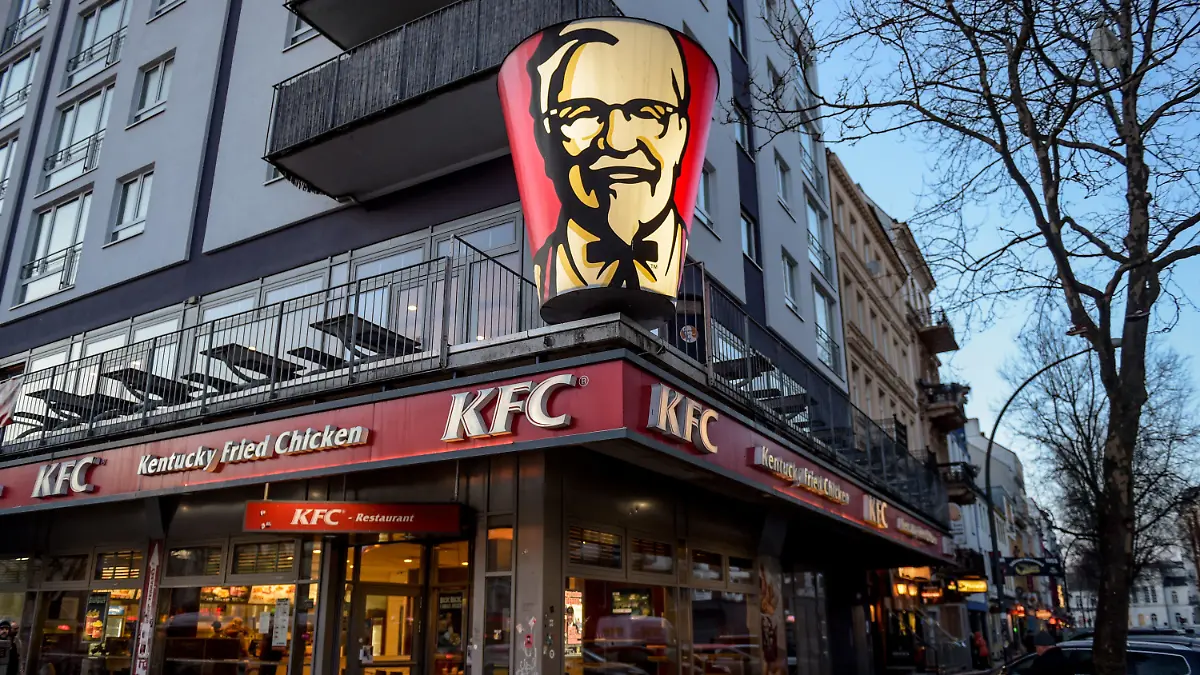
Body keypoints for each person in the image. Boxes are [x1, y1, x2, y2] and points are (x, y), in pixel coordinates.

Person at [522, 19, 696, 320]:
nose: (618, 141)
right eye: (584, 113)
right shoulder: (544, 269)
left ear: (680, 134)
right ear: (545, 139)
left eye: (646, 112)